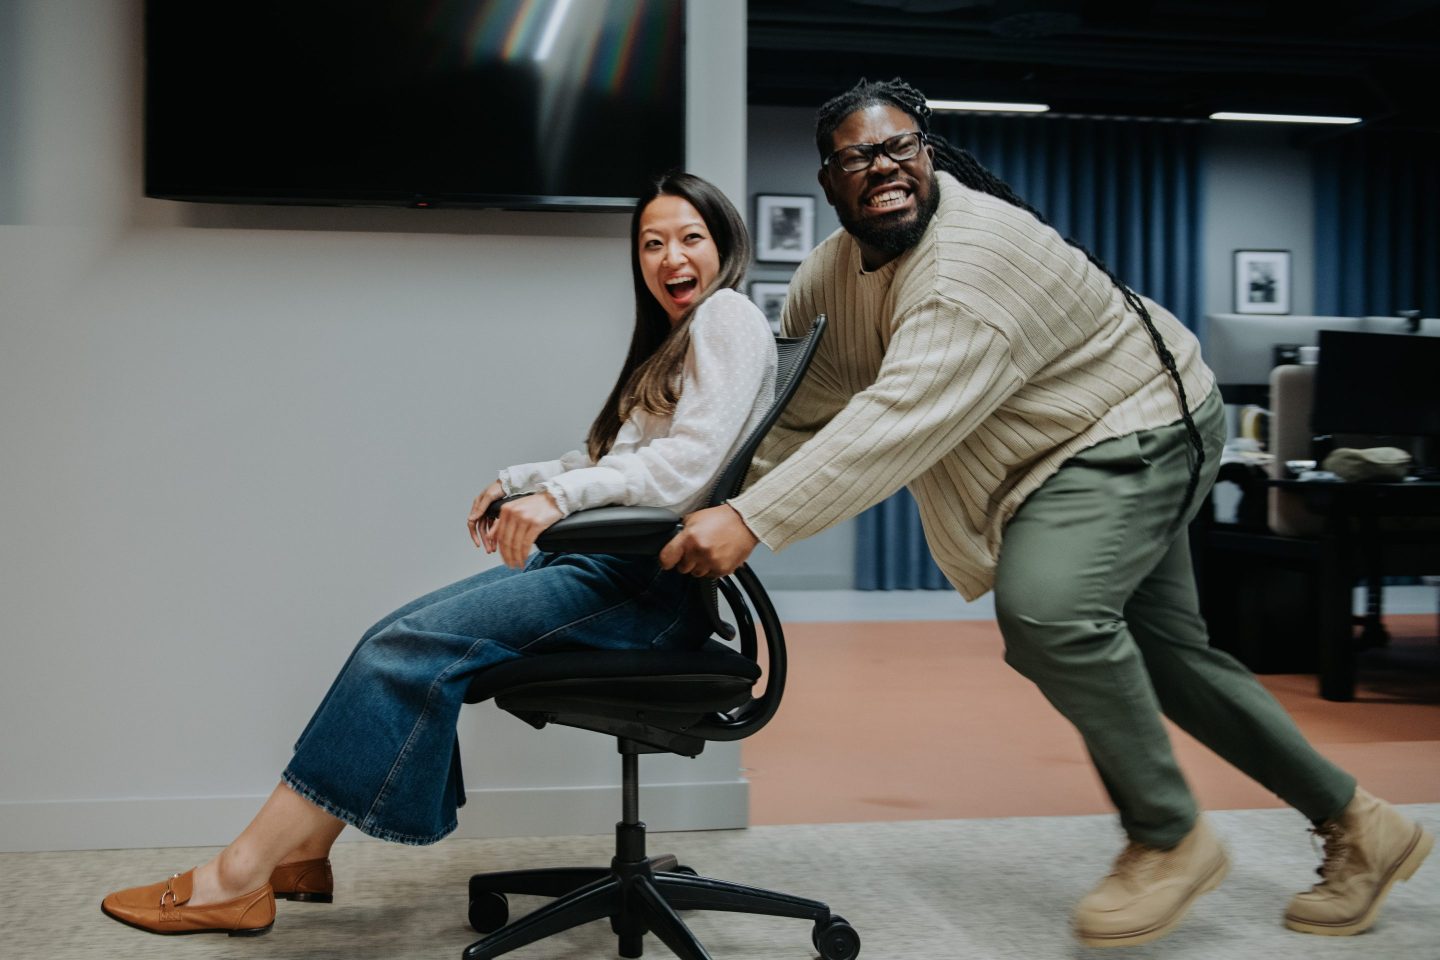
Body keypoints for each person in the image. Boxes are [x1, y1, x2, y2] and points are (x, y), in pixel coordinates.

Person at [660, 78, 1433, 947]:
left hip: (1139, 423)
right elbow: (797, 408)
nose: (883, 168)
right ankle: (1363, 825)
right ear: (828, 182)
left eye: (900, 147)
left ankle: (1167, 836)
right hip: (1067, 447)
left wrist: (753, 520)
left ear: (928, 151)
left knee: (1048, 610)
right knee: (1175, 661)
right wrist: (689, 495)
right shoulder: (830, 275)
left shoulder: (968, 265)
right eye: (856, 158)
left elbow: (891, 425)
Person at [99, 171, 778, 937]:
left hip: (641, 588)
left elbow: (683, 472)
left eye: (689, 238)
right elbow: (616, 460)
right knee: (394, 638)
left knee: (403, 649)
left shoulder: (727, 316)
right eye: (651, 243)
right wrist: (521, 481)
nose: (669, 258)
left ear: (724, 245)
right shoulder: (677, 343)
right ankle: (303, 853)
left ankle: (236, 877)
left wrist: (556, 502)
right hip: (608, 573)